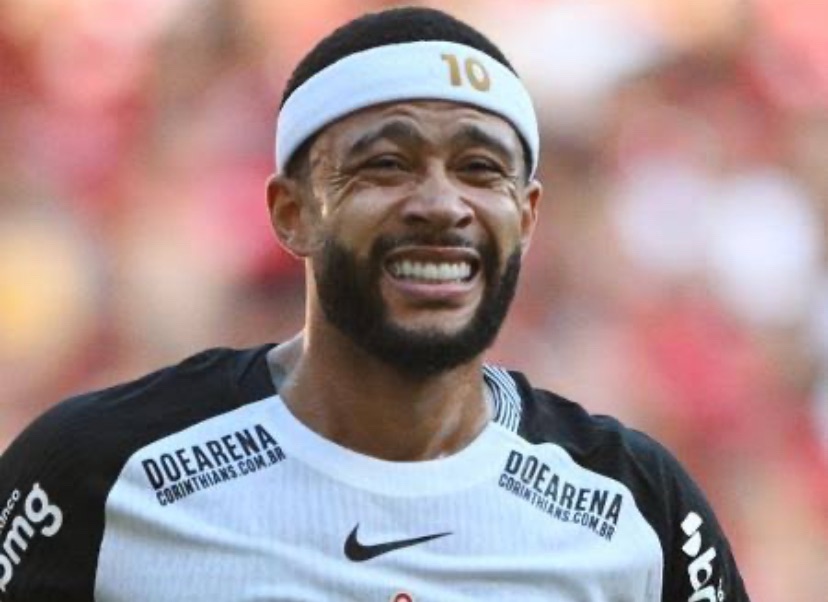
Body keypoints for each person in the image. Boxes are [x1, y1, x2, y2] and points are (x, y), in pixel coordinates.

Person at [0, 7, 750, 601]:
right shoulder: (98, 473)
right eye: (387, 164)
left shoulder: (636, 507)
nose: (441, 204)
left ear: (526, 218)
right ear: (292, 212)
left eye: (480, 168)